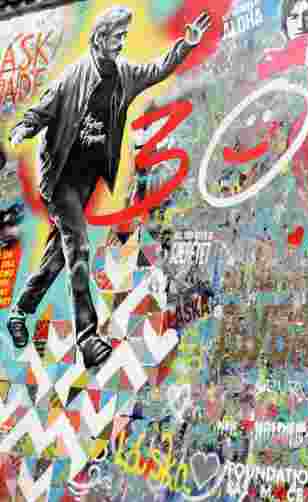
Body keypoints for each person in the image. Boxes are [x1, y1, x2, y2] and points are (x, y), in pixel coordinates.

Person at [5, 6, 211, 368]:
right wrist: (23, 128)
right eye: (117, 37)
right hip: (60, 179)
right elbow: (41, 111)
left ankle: (19, 312)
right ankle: (88, 339)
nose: (122, 44)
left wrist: (185, 46)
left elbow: (156, 70)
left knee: (59, 256)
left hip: (86, 180)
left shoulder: (124, 75)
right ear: (100, 39)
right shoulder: (73, 77)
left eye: (124, 38)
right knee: (79, 248)